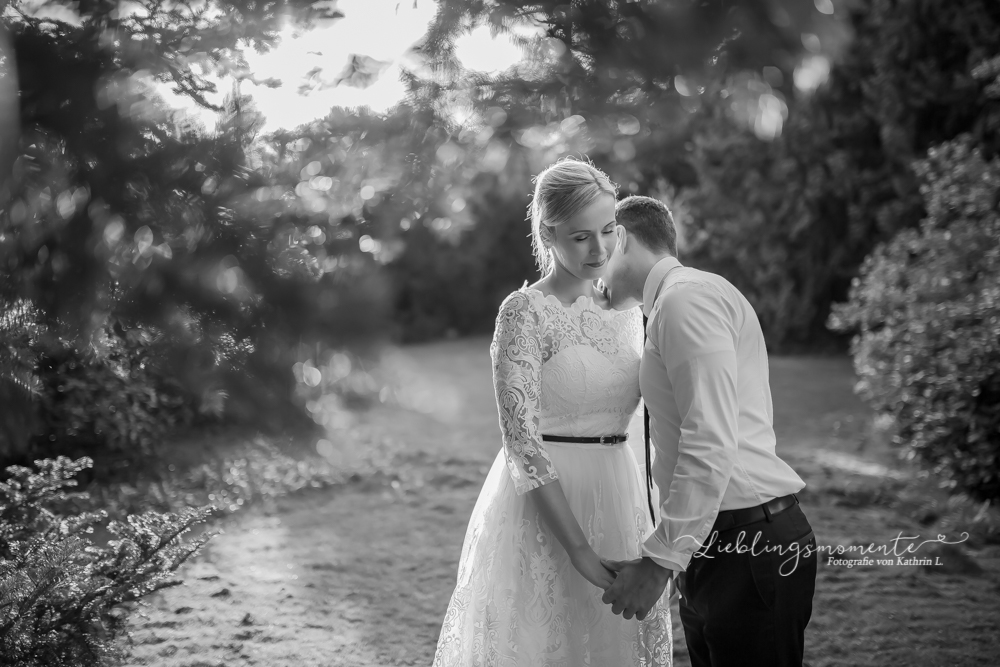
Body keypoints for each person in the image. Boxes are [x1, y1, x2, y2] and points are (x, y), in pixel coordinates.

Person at [432, 161, 672, 666]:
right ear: (548, 233)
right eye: (581, 237)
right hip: (544, 507)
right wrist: (580, 550)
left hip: (621, 494)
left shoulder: (628, 309)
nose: (600, 250)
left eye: (609, 232)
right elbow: (521, 442)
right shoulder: (524, 311)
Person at [599, 195, 818, 667]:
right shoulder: (672, 303)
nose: (594, 261)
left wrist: (660, 562)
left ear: (621, 238)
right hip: (715, 544)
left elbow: (710, 437)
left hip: (751, 548)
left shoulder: (685, 301)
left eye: (600, 241)